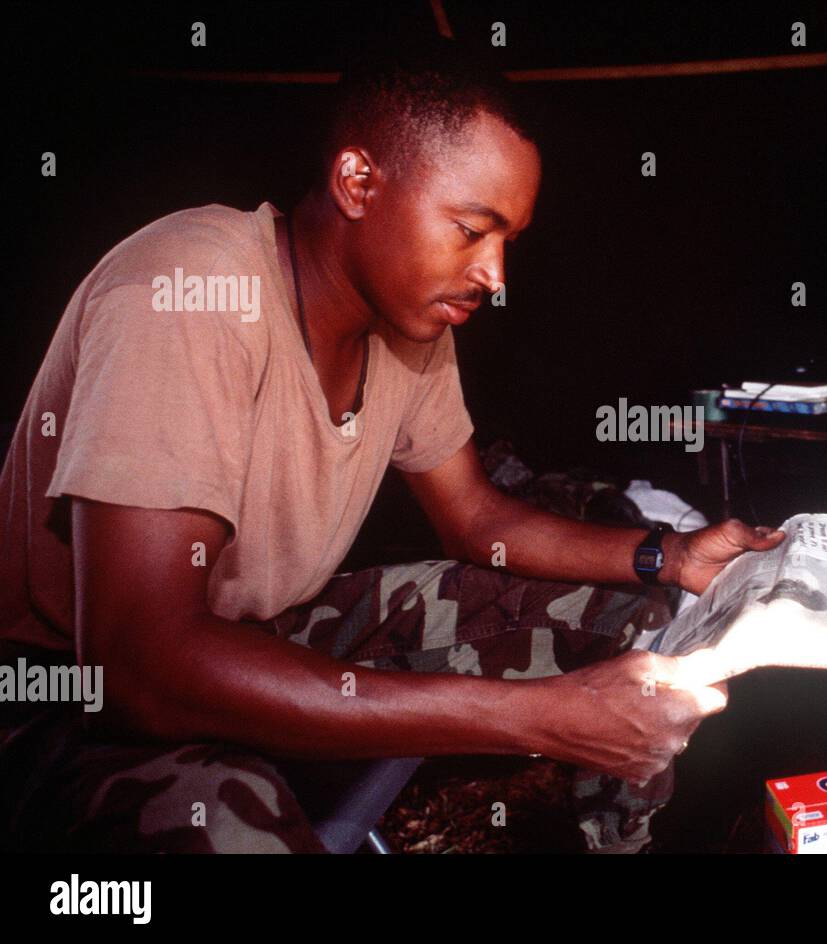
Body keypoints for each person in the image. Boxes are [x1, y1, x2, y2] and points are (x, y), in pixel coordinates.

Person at [0, 56, 784, 853]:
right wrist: (541, 717)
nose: (493, 274)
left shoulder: (410, 330)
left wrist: (674, 556)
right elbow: (143, 667)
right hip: (66, 696)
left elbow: (478, 520)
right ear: (357, 182)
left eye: (508, 240)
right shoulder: (188, 290)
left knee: (629, 620)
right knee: (234, 826)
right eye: (473, 230)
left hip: (257, 632)